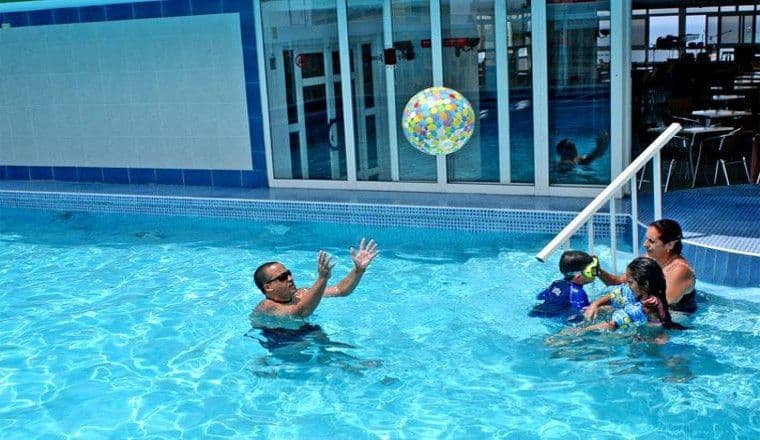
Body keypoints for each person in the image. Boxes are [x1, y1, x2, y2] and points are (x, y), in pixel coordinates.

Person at [251, 238, 378, 319]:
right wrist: (322, 278)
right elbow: (300, 312)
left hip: (305, 333)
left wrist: (358, 270)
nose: (290, 278)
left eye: (288, 273)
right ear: (268, 287)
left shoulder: (301, 293)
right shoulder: (266, 306)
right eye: (282, 277)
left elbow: (340, 290)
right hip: (280, 342)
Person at [597, 219, 697, 313]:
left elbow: (660, 306)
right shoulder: (649, 259)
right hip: (648, 305)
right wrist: (597, 270)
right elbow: (617, 281)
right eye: (646, 239)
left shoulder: (679, 270)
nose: (645, 244)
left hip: (675, 313)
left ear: (670, 245)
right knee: (597, 310)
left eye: (651, 241)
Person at [582, 257, 687, 332]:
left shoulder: (650, 305)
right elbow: (616, 295)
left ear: (645, 284)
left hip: (651, 341)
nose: (627, 285)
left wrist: (582, 331)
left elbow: (613, 324)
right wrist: (595, 304)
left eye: (630, 282)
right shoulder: (643, 291)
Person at [529, 250, 598, 323]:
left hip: (537, 311)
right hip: (556, 317)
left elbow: (540, 296)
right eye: (592, 271)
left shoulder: (557, 283)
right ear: (577, 276)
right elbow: (583, 312)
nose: (596, 273)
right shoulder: (578, 292)